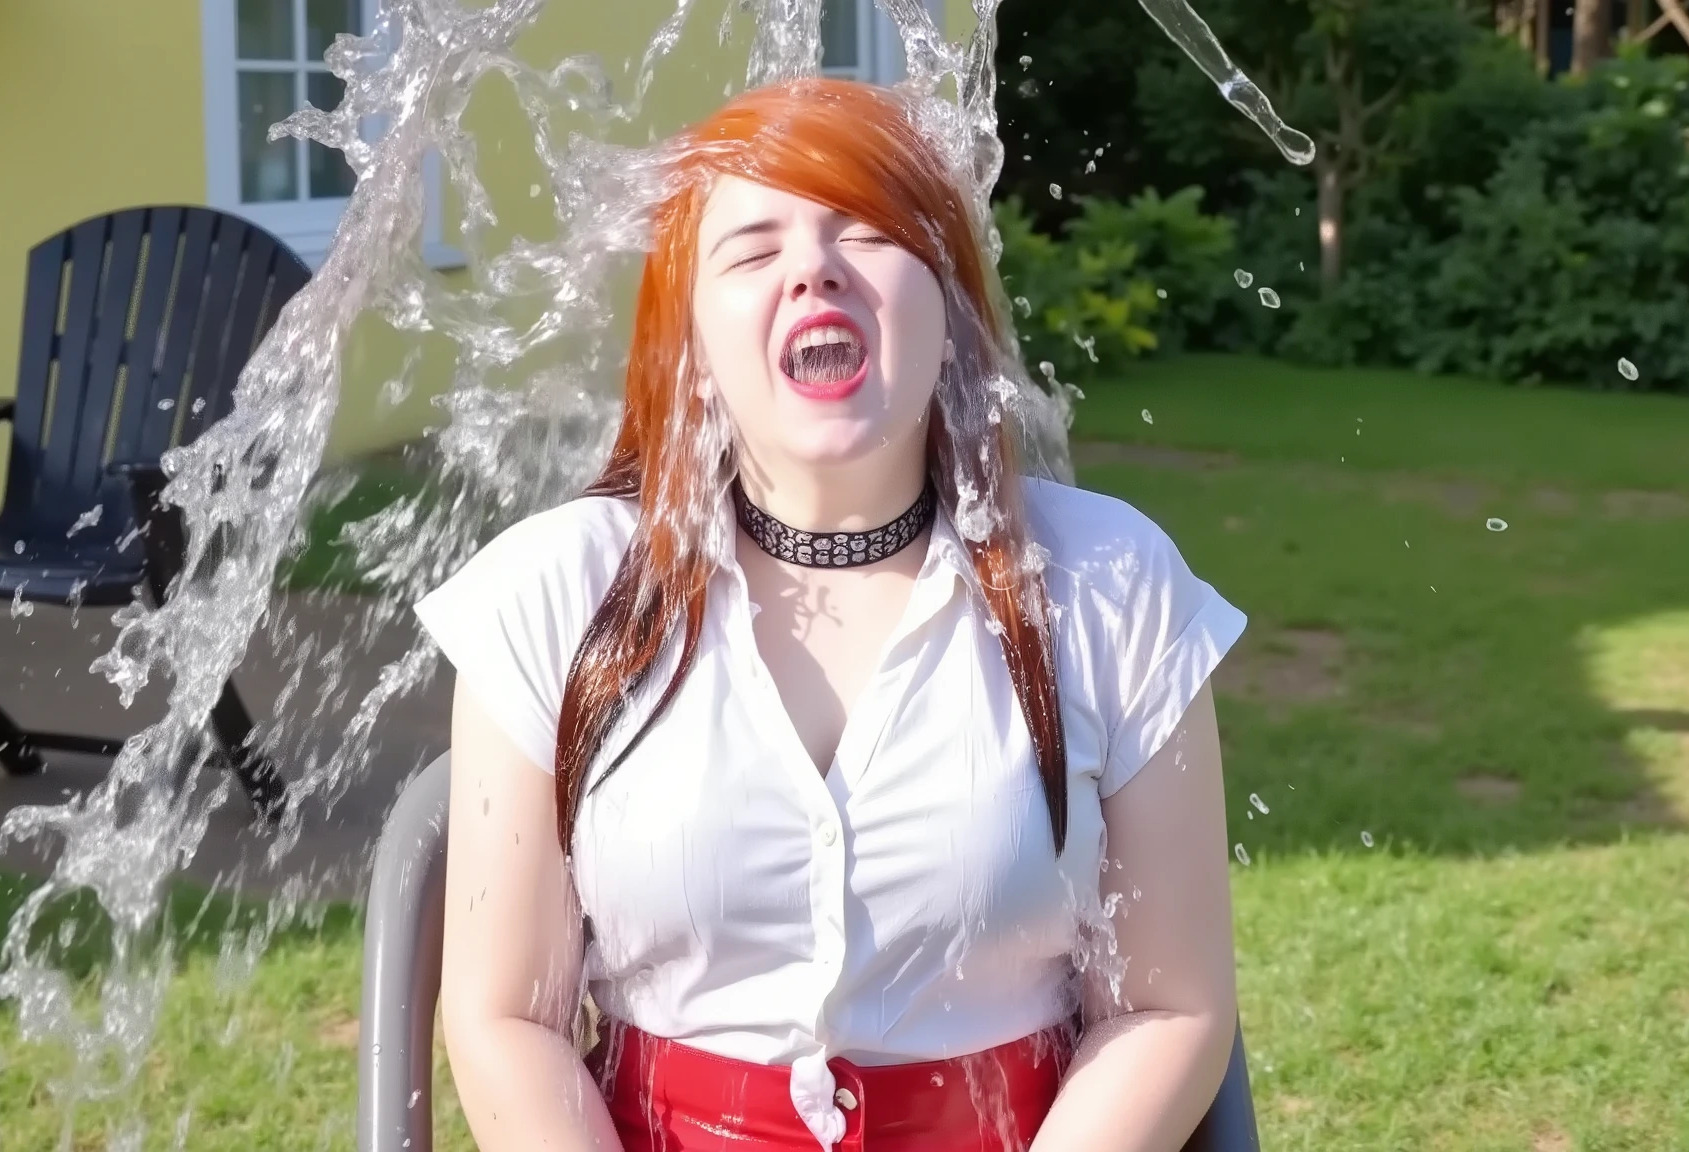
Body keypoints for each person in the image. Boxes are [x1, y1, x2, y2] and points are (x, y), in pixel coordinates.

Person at [415, 77, 1245, 1152]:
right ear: (688, 340)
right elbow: (506, 1019)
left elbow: (1168, 1006)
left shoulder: (1108, 585)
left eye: (868, 233)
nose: (812, 268)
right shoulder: (552, 596)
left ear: (945, 312)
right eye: (753, 251)